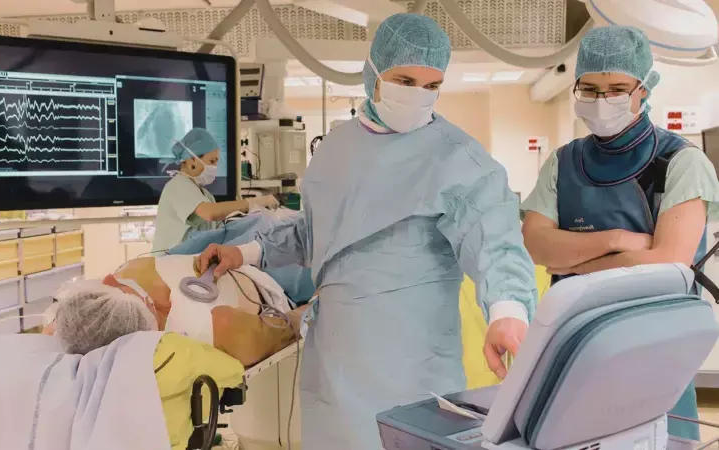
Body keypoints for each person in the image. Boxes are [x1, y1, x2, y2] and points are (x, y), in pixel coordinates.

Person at [197, 13, 538, 449]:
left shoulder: (456, 159)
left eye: (431, 85)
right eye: (405, 81)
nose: (418, 95)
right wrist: (244, 254)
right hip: (334, 362)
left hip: (411, 367)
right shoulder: (336, 148)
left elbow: (495, 239)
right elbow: (316, 232)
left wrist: (508, 310)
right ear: (373, 73)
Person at [521, 25, 719, 441]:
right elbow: (537, 245)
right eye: (590, 89)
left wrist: (575, 265)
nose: (601, 100)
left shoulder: (680, 162)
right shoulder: (563, 162)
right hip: (576, 342)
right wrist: (615, 240)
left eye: (615, 89)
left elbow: (667, 262)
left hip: (654, 344)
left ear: (644, 88)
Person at [44, 253, 309, 367]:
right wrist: (324, 299)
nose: (165, 299)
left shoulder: (133, 271)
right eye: (146, 302)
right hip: (279, 289)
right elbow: (292, 325)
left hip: (239, 258)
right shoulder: (218, 328)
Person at [152, 127, 278, 251]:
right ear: (192, 160)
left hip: (188, 259)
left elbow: (218, 231)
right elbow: (211, 213)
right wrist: (254, 202)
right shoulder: (178, 185)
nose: (214, 167)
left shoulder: (205, 195)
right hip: (170, 261)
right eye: (212, 161)